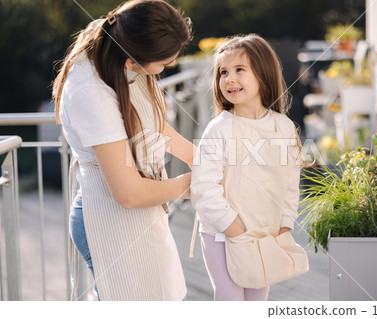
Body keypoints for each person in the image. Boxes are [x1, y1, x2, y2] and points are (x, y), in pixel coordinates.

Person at [52, 0, 194, 301]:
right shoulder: (90, 92)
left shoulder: (117, 48)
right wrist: (194, 185)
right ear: (133, 63)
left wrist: (202, 160)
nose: (166, 69)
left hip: (140, 213)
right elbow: (128, 194)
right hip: (108, 218)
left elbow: (155, 127)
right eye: (164, 65)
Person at [191, 34, 306, 301]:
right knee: (231, 300)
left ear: (263, 74)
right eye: (223, 72)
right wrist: (236, 231)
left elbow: (289, 182)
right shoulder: (220, 128)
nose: (229, 79)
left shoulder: (283, 127)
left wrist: (284, 226)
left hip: (265, 234)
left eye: (239, 70)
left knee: (257, 302)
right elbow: (203, 188)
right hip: (223, 234)